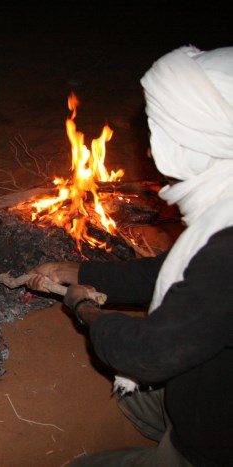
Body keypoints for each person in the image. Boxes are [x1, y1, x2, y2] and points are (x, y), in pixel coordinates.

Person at [27, 45, 233, 466]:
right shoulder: (224, 209)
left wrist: (84, 308)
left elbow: (151, 354)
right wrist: (77, 269)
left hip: (216, 443)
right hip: (212, 391)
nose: (152, 153)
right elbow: (176, 274)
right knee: (136, 399)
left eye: (164, 134)